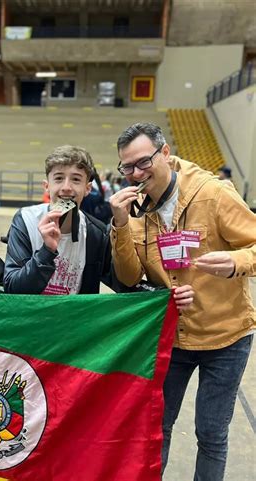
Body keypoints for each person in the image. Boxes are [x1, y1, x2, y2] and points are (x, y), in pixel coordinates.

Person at [109, 122, 255, 480]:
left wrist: (236, 262)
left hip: (227, 336)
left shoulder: (212, 194)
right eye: (127, 168)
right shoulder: (137, 211)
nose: (136, 174)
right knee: (158, 426)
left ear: (165, 154)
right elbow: (128, 277)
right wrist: (119, 224)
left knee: (211, 432)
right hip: (173, 337)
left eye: (144, 162)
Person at [4, 145, 114, 295]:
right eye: (59, 178)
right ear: (47, 186)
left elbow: (122, 283)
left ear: (88, 188)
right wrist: (47, 251)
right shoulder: (25, 220)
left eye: (76, 179)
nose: (66, 187)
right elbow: (13, 289)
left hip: (73, 317)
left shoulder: (97, 233)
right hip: (30, 317)